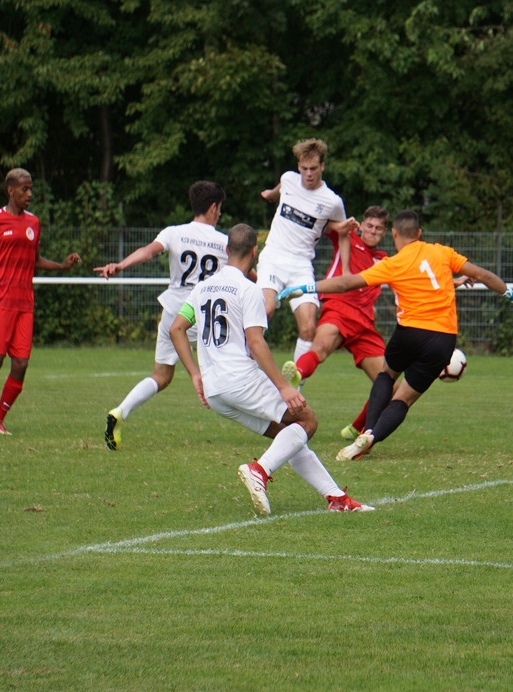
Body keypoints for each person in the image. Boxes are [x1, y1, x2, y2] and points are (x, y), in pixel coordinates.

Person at [278, 209, 513, 461]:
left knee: (386, 374)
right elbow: (481, 275)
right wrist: (511, 294)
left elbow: (346, 282)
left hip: (409, 333)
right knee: (404, 398)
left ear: (393, 234)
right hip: (443, 340)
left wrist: (306, 288)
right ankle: (372, 436)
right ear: (419, 232)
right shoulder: (442, 252)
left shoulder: (393, 263)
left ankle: (365, 430)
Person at [169, 223, 373, 515]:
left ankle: (336, 499)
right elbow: (256, 343)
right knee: (307, 422)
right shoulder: (249, 289)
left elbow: (177, 329)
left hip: (215, 390)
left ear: (227, 250)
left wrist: (194, 374)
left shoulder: (202, 287)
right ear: (255, 252)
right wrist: (284, 386)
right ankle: (259, 471)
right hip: (239, 379)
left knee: (289, 435)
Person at [94, 180, 228, 450]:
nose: (220, 213)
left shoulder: (175, 232)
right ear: (213, 207)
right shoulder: (224, 242)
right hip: (204, 314)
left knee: (161, 376)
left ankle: (120, 411)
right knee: (232, 364)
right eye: (220, 208)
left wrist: (121, 265)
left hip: (174, 311)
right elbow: (245, 273)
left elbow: (147, 251)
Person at [0, 168, 81, 436]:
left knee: (21, 364)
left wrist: (61, 265)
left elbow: (35, 260)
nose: (29, 194)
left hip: (24, 302)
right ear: (10, 190)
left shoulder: (33, 223)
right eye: (24, 189)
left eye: (31, 188)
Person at [280, 205, 391, 439]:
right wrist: (340, 226)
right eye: (369, 226)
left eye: (378, 229)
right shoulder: (348, 236)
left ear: (385, 233)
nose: (372, 231)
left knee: (388, 384)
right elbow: (317, 224)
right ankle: (298, 373)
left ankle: (356, 429)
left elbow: (417, 275)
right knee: (320, 347)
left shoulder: (384, 261)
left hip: (364, 324)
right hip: (339, 307)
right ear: (361, 225)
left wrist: (455, 281)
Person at [258, 138, 358, 365]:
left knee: (309, 326)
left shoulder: (332, 201)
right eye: (304, 169)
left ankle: (295, 385)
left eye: (313, 169)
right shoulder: (288, 179)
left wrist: (346, 270)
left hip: (301, 265)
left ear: (322, 166)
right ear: (298, 167)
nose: (308, 174)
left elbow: (343, 232)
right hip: (273, 255)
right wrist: (271, 195)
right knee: (266, 308)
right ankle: (246, 365)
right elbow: (281, 187)